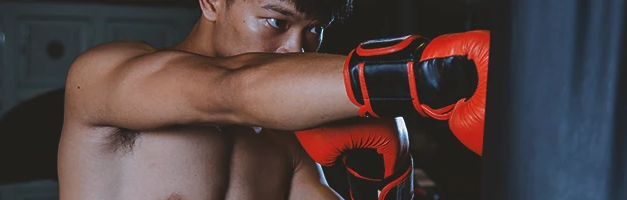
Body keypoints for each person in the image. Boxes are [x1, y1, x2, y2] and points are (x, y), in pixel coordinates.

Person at [58, 0, 489, 199]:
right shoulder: (103, 77)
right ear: (211, 1)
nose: (295, 51)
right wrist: (415, 73)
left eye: (313, 31)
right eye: (275, 20)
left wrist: (387, 184)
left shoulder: (288, 145)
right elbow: (233, 88)